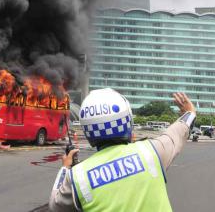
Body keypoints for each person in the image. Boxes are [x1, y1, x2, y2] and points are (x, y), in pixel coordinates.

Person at [49, 89, 196, 212]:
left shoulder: (77, 176)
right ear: (127, 122)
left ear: (88, 131)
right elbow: (178, 131)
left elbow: (55, 205)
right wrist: (189, 111)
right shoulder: (152, 151)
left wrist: (65, 169)